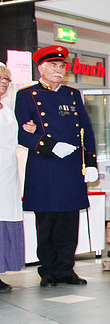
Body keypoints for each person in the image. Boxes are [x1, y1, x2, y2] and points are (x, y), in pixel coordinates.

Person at [14, 46, 99, 288]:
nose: (59, 70)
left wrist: (90, 162)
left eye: (62, 67)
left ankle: (66, 269)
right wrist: (49, 145)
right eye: (53, 66)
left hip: (71, 167)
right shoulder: (26, 95)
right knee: (48, 222)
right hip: (45, 167)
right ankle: (49, 271)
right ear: (41, 68)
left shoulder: (73, 95)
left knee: (69, 222)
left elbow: (86, 131)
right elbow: (21, 134)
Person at [0, 64, 36, 293]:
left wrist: (29, 130)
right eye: (1, 78)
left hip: (7, 176)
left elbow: (17, 139)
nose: (4, 82)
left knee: (4, 223)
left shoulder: (7, 109)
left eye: (7, 78)